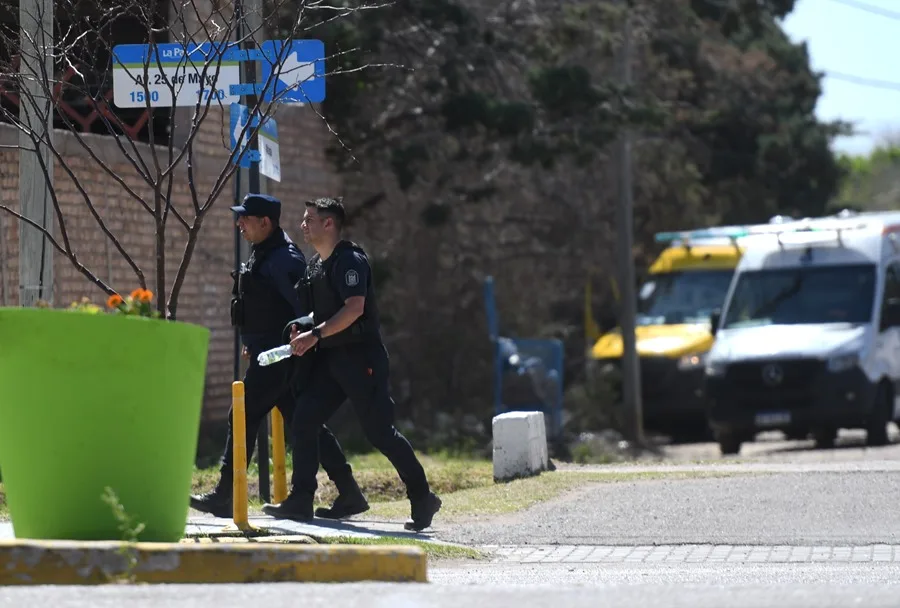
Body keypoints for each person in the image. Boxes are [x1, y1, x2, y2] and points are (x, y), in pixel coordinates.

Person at [261, 197, 442, 532]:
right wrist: (302, 327)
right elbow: (323, 312)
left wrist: (315, 334)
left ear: (328, 224)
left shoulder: (350, 261)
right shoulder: (316, 265)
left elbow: (354, 308)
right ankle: (302, 500)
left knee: (380, 433)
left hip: (362, 360)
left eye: (309, 219)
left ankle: (423, 497)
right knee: (304, 419)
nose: (303, 225)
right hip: (331, 358)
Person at [190, 193, 369, 520]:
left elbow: (305, 309)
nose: (239, 224)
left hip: (280, 358)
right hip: (268, 353)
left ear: (265, 222)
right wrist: (253, 341)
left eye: (245, 218)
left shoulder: (284, 259)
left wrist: (296, 344)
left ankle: (224, 495)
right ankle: (349, 491)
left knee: (240, 415)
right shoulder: (263, 253)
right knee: (306, 422)